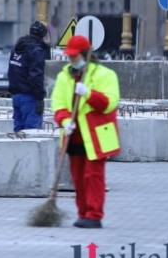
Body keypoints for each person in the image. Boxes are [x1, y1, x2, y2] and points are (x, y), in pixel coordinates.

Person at [52, 34, 121, 229]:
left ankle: (94, 214)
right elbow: (58, 104)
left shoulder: (105, 75)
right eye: (69, 56)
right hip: (73, 136)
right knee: (78, 178)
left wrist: (88, 94)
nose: (71, 59)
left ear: (85, 55)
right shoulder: (64, 76)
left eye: (75, 56)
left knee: (93, 176)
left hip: (96, 136)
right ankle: (82, 213)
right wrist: (64, 120)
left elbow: (109, 103)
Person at [8, 20, 49, 131]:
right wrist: (40, 97)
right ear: (43, 35)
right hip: (30, 97)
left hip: (16, 96)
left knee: (18, 132)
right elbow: (36, 76)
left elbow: (11, 72)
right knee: (32, 133)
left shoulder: (17, 48)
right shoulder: (37, 50)